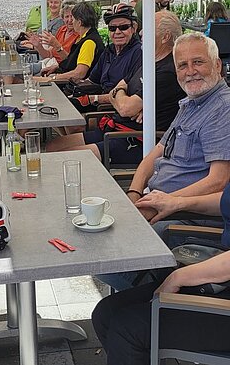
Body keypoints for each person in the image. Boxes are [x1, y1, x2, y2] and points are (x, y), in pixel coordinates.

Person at [98, 32, 230, 291]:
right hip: (156, 202)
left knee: (107, 255)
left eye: (198, 62)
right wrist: (135, 191)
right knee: (96, 230)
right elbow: (155, 154)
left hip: (185, 218)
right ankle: (135, 304)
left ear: (217, 65)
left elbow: (219, 181)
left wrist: (166, 203)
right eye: (182, 65)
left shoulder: (221, 109)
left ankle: (150, 307)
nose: (190, 71)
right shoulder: (191, 103)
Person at [92, 184, 230, 365]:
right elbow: (224, 200)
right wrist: (177, 203)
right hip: (218, 277)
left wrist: (178, 277)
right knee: (106, 313)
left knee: (127, 329)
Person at [46, 10, 185, 164]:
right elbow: (120, 90)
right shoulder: (148, 61)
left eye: (148, 29)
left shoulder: (167, 70)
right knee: (52, 146)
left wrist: (121, 97)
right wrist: (123, 96)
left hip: (135, 140)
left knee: (58, 159)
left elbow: (126, 108)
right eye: (113, 28)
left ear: (165, 37)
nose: (141, 33)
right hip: (115, 128)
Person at [70, 3, 142, 114]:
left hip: (112, 109)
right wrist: (74, 87)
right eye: (112, 28)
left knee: (68, 115)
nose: (117, 32)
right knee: (58, 107)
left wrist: (94, 98)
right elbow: (92, 80)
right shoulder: (109, 51)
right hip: (98, 100)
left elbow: (131, 94)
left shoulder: (139, 53)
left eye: (123, 27)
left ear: (134, 28)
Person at [33, 2, 105, 82]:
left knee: (28, 80)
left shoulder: (89, 42)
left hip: (78, 88)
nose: (71, 21)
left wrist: (51, 79)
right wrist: (58, 68)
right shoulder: (86, 37)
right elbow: (73, 62)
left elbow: (79, 73)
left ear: (79, 22)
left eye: (73, 18)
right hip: (67, 77)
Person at [28, 0, 79, 74]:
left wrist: (57, 46)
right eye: (67, 17)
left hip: (60, 69)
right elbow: (48, 55)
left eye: (72, 17)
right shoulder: (62, 29)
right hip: (49, 63)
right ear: (63, 18)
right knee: (16, 71)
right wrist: (38, 46)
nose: (70, 20)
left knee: (24, 76)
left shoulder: (78, 34)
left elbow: (70, 63)